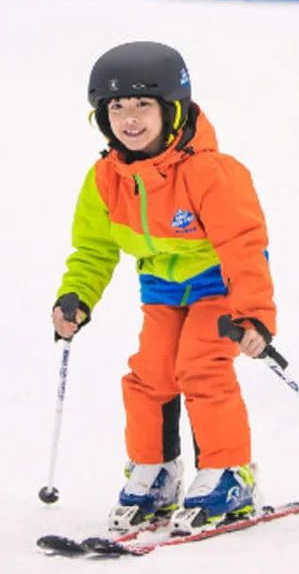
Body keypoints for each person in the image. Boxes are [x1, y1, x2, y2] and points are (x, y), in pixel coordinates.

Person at [52, 41, 278, 528]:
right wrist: (77, 296)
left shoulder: (211, 172)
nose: (128, 118)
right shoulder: (105, 179)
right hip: (161, 290)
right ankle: (155, 473)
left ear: (171, 109)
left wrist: (254, 312)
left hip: (216, 287)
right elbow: (94, 249)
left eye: (142, 104)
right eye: (116, 106)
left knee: (201, 368)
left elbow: (244, 245)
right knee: (149, 374)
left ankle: (228, 474)